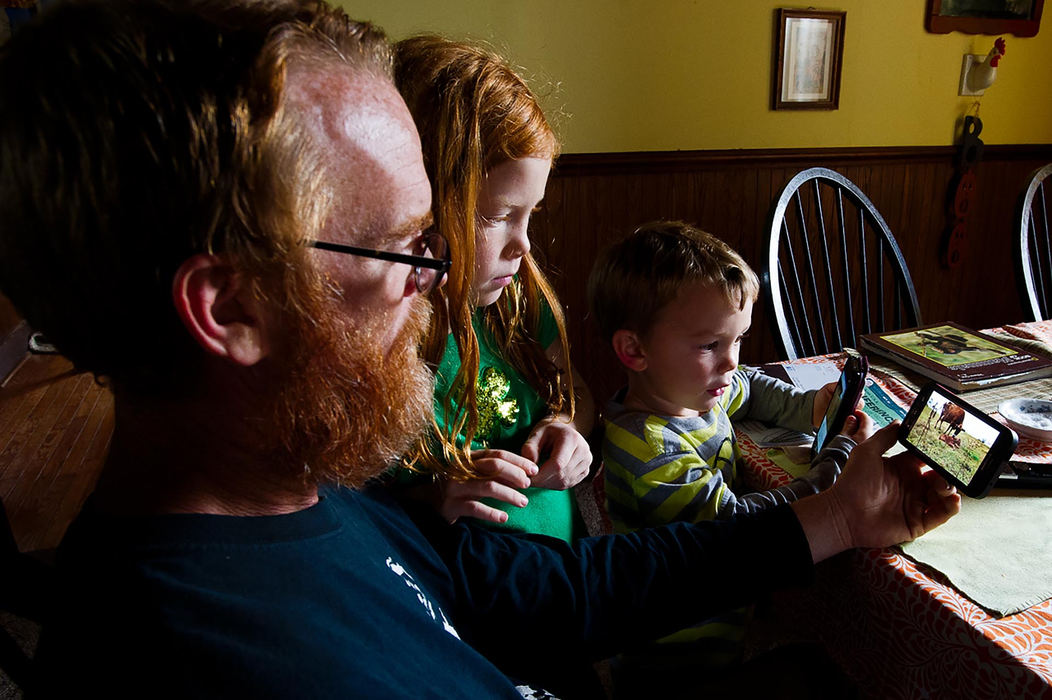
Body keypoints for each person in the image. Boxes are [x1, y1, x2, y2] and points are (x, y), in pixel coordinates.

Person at [0, 1, 959, 697]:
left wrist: (836, 518)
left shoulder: (306, 485)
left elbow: (561, 589)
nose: (437, 281)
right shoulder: (191, 653)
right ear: (231, 308)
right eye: (410, 246)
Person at [587, 221, 874, 697]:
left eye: (737, 340)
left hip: (721, 627)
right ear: (634, 349)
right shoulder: (649, 451)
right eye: (710, 345)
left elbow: (751, 385)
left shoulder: (694, 391)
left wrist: (809, 409)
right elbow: (741, 527)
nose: (730, 362)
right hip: (670, 659)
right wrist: (837, 457)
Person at [393, 36, 594, 543]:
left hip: (563, 567)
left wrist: (567, 427)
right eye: (500, 215)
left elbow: (577, 393)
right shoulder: (391, 331)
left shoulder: (513, 296)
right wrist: (432, 492)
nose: (523, 246)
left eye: (532, 214)